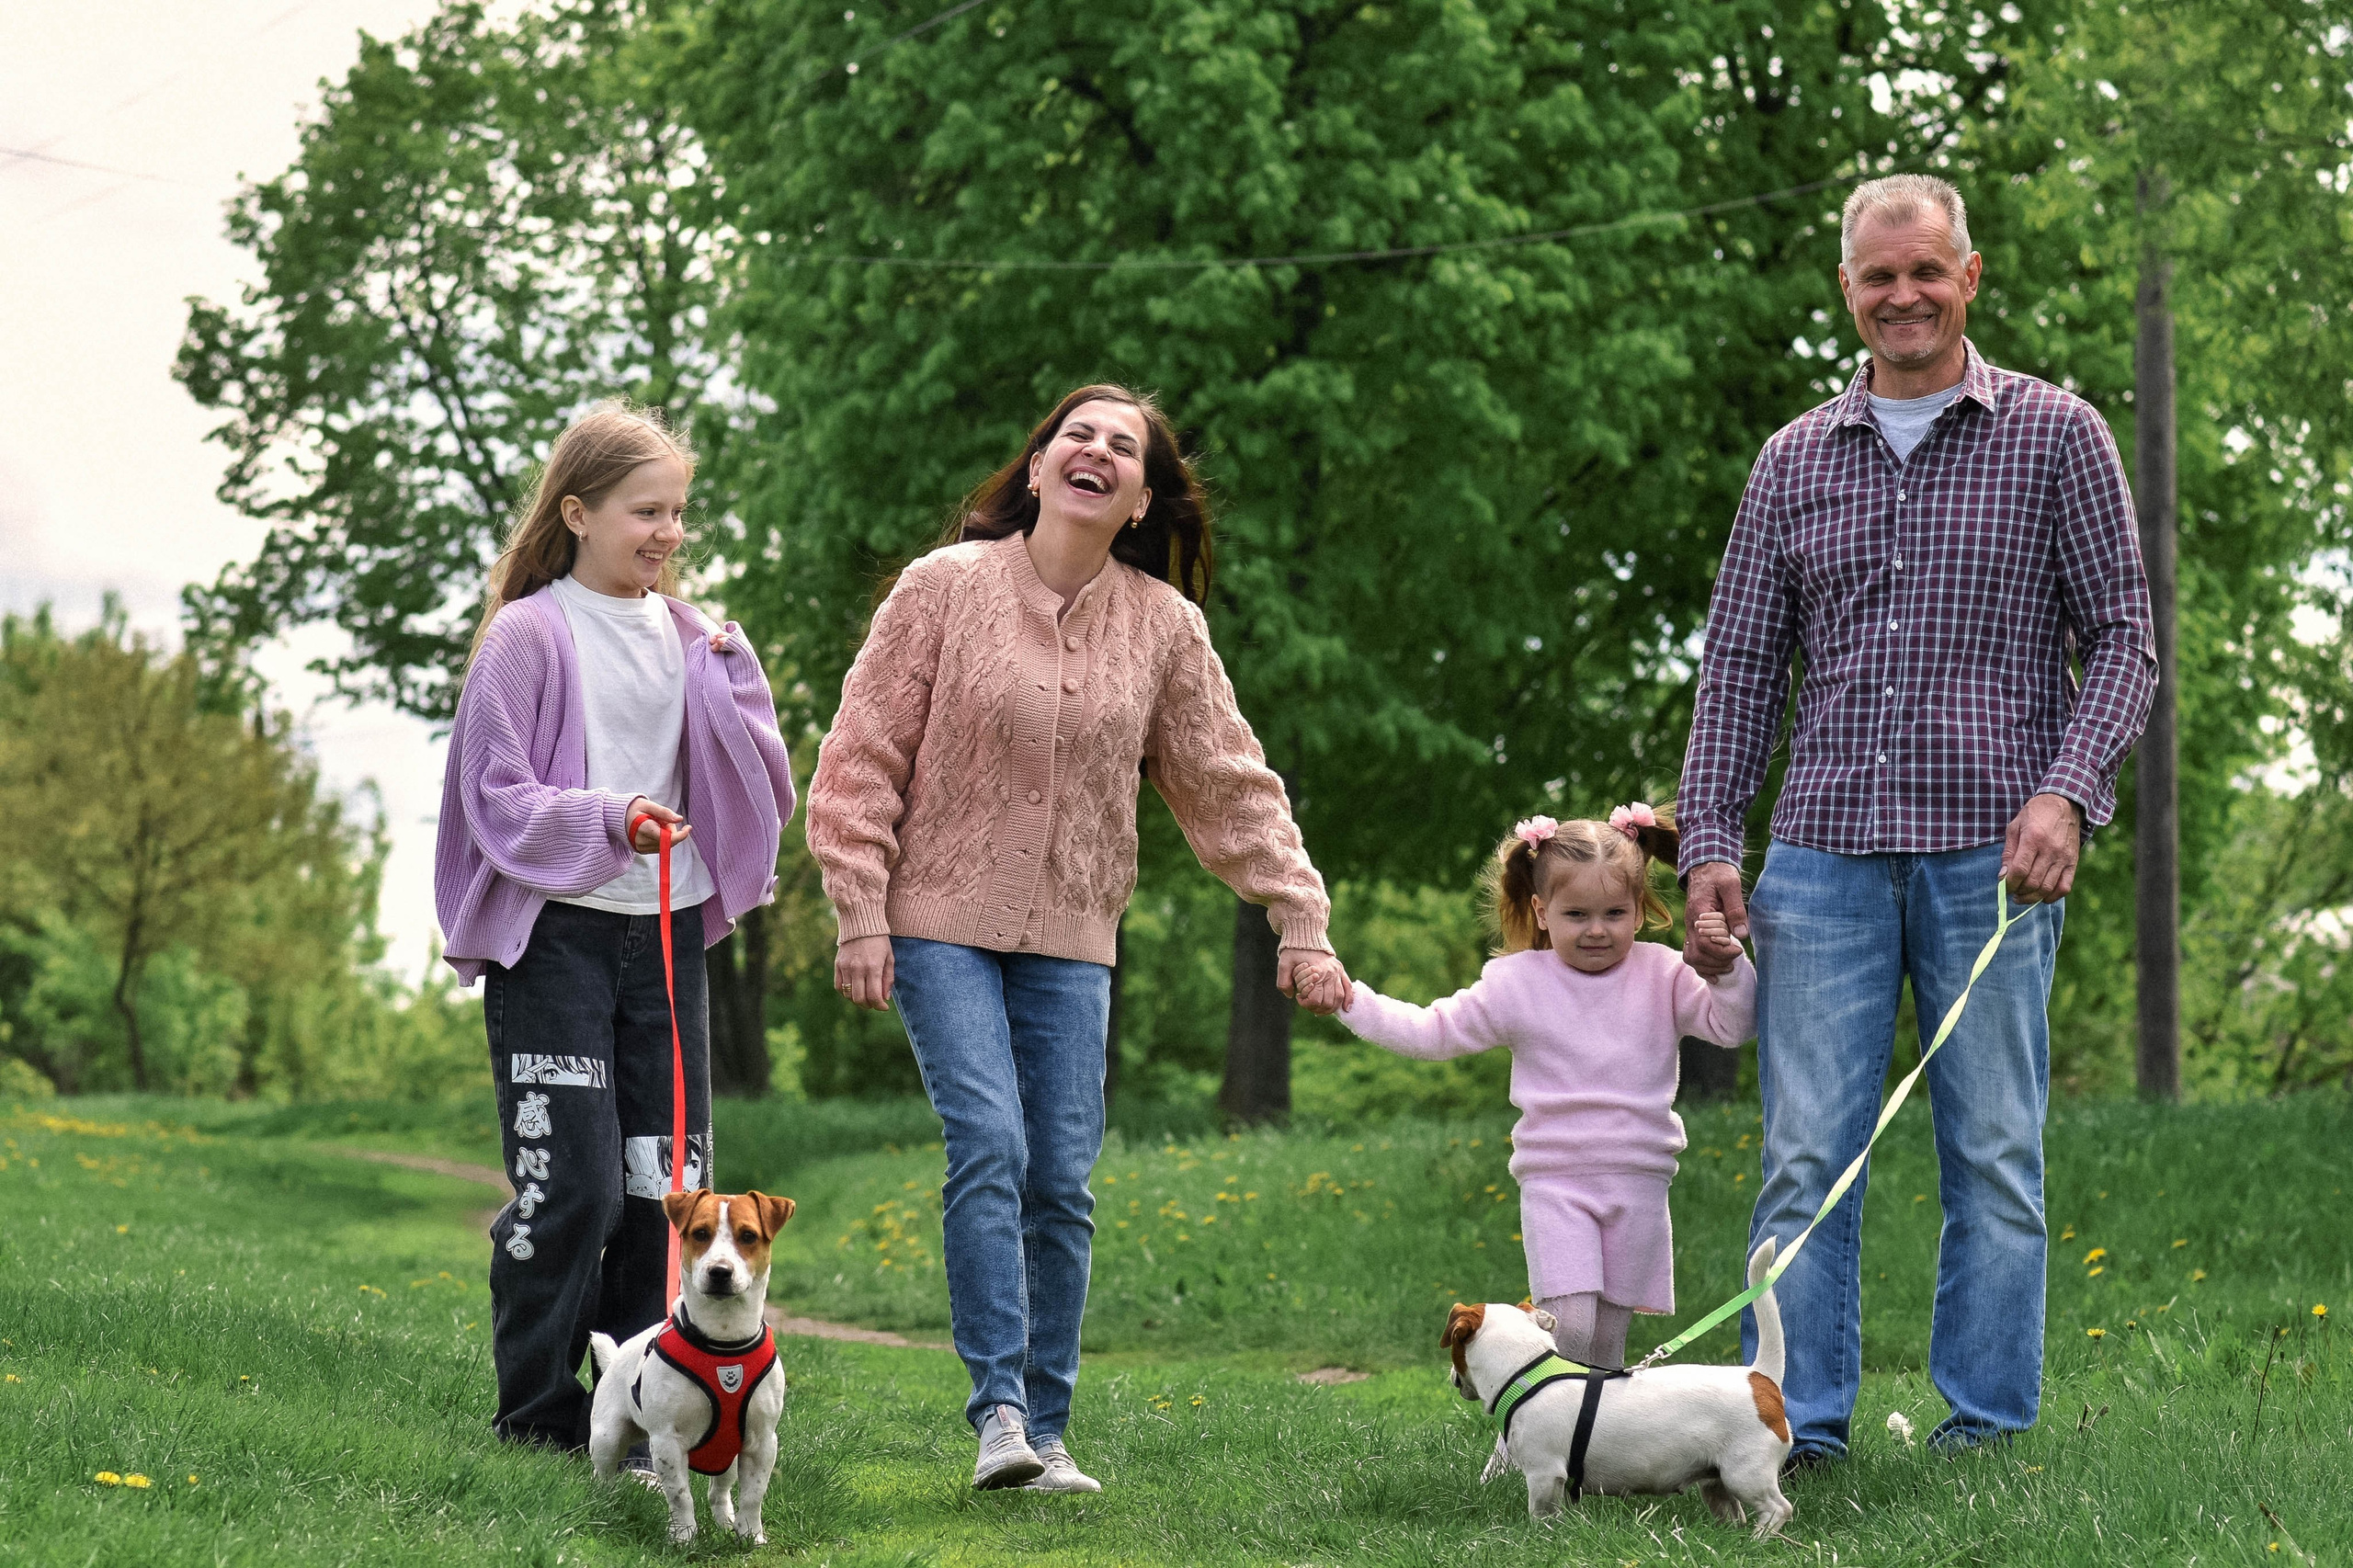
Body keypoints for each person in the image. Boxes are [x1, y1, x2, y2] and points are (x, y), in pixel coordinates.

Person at [1677, 175, 2156, 1464]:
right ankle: (1796, 1429)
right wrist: (1712, 839)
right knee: (1801, 1163)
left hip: (1990, 857)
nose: (1903, 295)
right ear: (1847, 289)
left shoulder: (2059, 436)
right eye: (1878, 276)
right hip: (1820, 858)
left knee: (1995, 1155)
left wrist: (2068, 790)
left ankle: (1986, 1432)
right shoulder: (1791, 460)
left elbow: (2123, 642)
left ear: (1969, 276)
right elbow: (1737, 671)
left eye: (1925, 271)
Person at [806, 382, 1350, 1494]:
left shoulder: (1164, 626)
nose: (1097, 452)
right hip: (936, 921)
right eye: (1077, 436)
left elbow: (1227, 782)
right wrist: (858, 907)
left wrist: (1300, 911)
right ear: (1042, 465)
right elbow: (860, 754)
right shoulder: (943, 588)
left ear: (1142, 498)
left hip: (1072, 934)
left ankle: (1048, 1431)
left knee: (1061, 1174)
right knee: (992, 1147)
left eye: (1124, 446)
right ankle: (997, 1413)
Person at [433, 403, 795, 1454]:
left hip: (666, 945)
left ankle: (643, 1423)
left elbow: (755, 784)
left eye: (678, 512)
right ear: (580, 512)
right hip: (556, 940)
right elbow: (496, 794)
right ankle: (537, 1417)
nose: (668, 533)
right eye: (647, 511)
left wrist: (741, 688)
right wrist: (609, 818)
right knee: (573, 1185)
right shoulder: (529, 633)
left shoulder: (695, 636)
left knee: (661, 1194)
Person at [1302, 804, 1754, 1369]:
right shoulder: (1517, 984)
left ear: (1639, 911)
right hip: (1556, 1181)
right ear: (1541, 911)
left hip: (1639, 1181)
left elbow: (1733, 1025)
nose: (1596, 929)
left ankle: (1593, 1456)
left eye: (1615, 912)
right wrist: (1350, 998)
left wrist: (1727, 969)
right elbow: (1430, 1031)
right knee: (1571, 1332)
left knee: (1609, 1345)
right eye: (1577, 914)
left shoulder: (1663, 973)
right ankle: (1515, 1451)